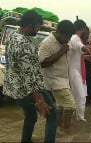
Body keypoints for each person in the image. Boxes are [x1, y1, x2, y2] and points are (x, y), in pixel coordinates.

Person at [3, 10, 57, 143]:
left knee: (31, 117)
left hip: (17, 90)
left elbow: (12, 65)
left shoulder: (12, 37)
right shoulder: (25, 45)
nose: (38, 29)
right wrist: (39, 99)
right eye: (38, 26)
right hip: (31, 90)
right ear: (32, 25)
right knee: (52, 114)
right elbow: (29, 77)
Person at [38, 20, 75, 133]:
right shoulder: (47, 43)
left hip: (63, 79)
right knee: (70, 105)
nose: (68, 40)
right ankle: (65, 131)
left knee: (61, 106)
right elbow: (42, 63)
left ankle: (57, 129)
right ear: (60, 33)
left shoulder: (62, 41)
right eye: (67, 37)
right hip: (54, 80)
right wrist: (61, 52)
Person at [68, 19, 90, 121]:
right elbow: (79, 46)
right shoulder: (75, 38)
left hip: (73, 71)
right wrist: (86, 48)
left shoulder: (71, 38)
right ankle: (80, 120)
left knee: (74, 98)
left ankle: (73, 119)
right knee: (81, 98)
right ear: (82, 29)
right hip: (74, 72)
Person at [80, 26, 91, 105]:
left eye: (87, 33)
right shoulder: (77, 43)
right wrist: (85, 57)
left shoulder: (89, 43)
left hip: (89, 70)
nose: (86, 35)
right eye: (85, 33)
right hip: (80, 70)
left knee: (90, 88)